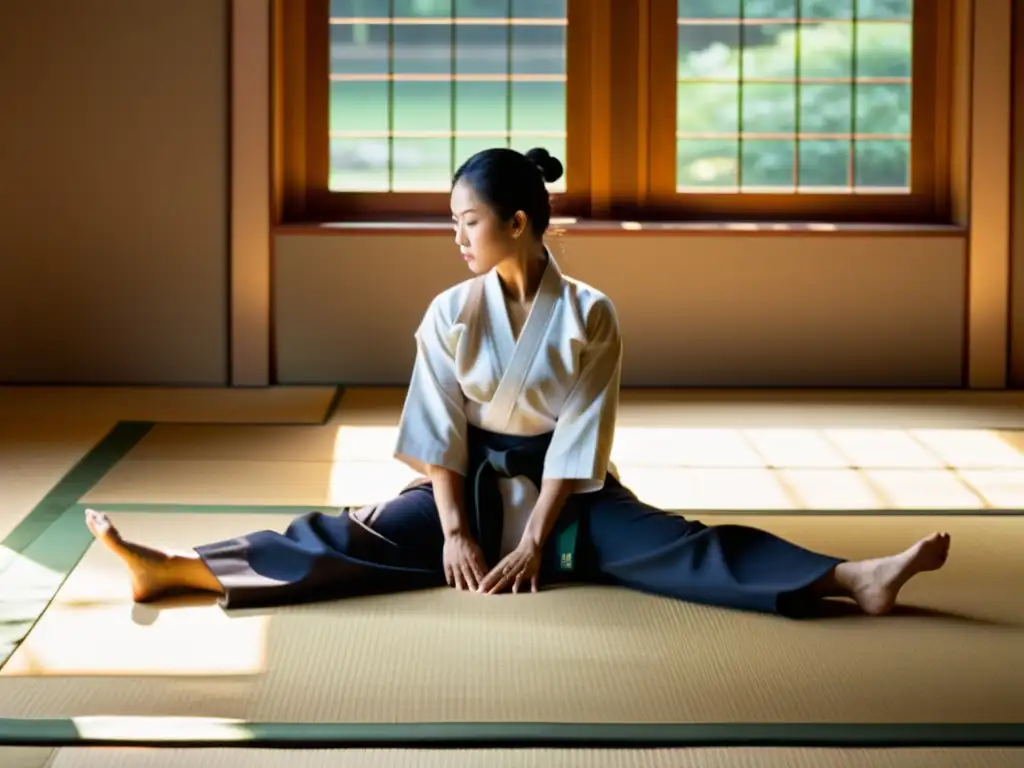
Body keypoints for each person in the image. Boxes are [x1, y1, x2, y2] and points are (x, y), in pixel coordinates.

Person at [85, 147, 951, 618]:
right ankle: (177, 572)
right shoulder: (448, 311)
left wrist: (536, 539)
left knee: (676, 546)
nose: (457, 239)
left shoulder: (590, 315)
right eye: (454, 224)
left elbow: (580, 442)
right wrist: (457, 530)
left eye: (469, 222)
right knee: (350, 537)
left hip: (564, 498)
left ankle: (851, 579)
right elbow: (438, 433)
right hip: (465, 483)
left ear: (520, 222)